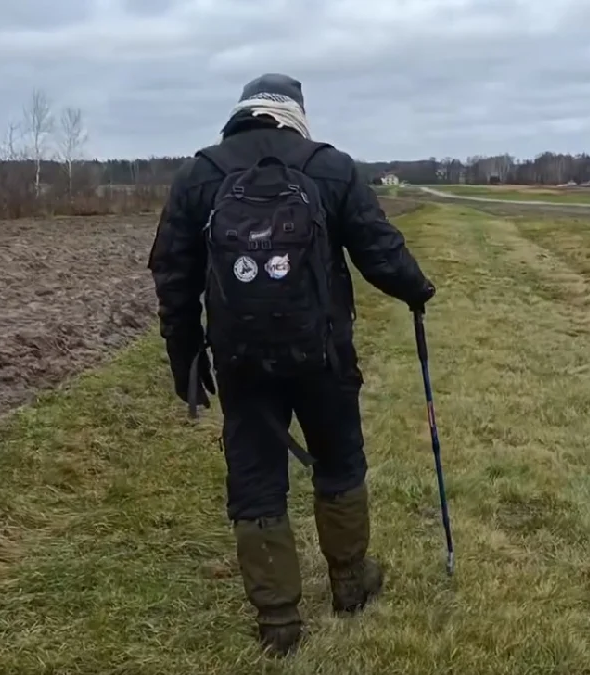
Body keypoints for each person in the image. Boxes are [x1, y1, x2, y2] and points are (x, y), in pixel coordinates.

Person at [147, 73, 436, 656]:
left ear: (242, 112)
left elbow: (173, 275)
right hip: (323, 354)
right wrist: (417, 290)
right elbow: (379, 250)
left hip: (240, 361)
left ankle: (278, 621)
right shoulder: (329, 166)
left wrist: (186, 356)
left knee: (255, 480)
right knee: (339, 460)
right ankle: (350, 584)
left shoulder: (199, 173)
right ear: (297, 114)